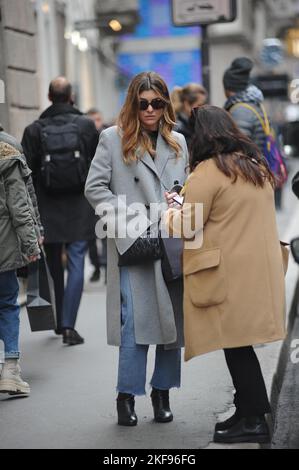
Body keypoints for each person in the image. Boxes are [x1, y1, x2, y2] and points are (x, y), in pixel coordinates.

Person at [165, 105, 288, 444]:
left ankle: (254, 420)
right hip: (258, 271)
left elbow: (189, 225)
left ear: (201, 136)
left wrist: (171, 209)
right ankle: (246, 410)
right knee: (238, 343)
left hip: (230, 274)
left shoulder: (209, 171)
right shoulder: (254, 166)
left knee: (235, 345)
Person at [85, 72, 189, 426]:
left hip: (171, 242)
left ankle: (162, 392)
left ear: (165, 104)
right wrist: (130, 227)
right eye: (143, 103)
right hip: (135, 246)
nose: (149, 109)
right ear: (133, 103)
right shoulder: (112, 139)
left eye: (156, 103)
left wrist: (181, 209)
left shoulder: (178, 142)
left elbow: (188, 188)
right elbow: (95, 188)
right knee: (135, 324)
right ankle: (126, 396)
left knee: (171, 322)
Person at [22, 77, 99, 346]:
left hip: (47, 204)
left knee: (55, 263)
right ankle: (68, 325)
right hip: (80, 203)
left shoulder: (34, 130)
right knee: (77, 260)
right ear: (71, 97)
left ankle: (56, 320)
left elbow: (27, 172)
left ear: (48, 96)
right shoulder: (86, 126)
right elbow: (98, 165)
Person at [0, 138, 40, 396]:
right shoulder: (7, 153)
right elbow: (20, 206)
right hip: (2, 245)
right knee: (7, 302)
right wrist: (31, 244)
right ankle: (10, 370)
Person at [223, 57, 286, 209]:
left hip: (249, 175)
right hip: (261, 171)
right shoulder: (256, 105)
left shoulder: (240, 110)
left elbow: (239, 149)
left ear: (229, 88)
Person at [86, 108, 107, 283]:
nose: (96, 123)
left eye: (98, 119)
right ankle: (97, 266)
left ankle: (106, 266)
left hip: (107, 193)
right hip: (90, 193)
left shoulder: (107, 136)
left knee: (106, 232)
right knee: (92, 234)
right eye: (92, 120)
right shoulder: (84, 138)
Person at [172, 83, 208, 148]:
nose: (203, 109)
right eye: (199, 105)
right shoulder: (178, 128)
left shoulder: (194, 123)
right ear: (187, 104)